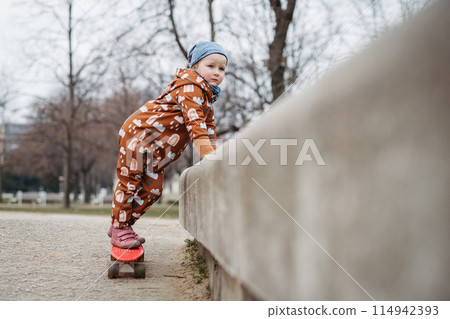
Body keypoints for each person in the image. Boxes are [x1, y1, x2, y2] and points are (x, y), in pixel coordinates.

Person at [108, 41, 228, 248]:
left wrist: (214, 154)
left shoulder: (207, 99)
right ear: (195, 67)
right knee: (130, 181)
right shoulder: (190, 87)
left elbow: (209, 131)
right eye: (211, 66)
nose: (217, 72)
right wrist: (208, 156)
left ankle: (122, 225)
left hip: (158, 150)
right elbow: (196, 126)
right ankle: (120, 228)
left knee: (153, 190)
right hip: (139, 135)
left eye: (222, 68)